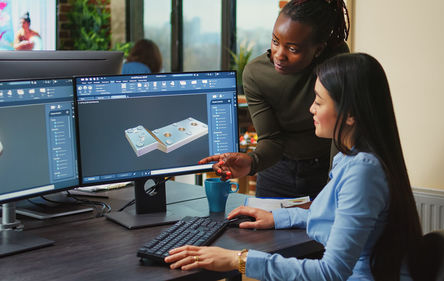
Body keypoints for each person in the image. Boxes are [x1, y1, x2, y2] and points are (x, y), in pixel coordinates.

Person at [165, 53, 424, 281]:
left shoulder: (363, 172)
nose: (311, 108)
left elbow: (329, 273)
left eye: (319, 102)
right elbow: (337, 220)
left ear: (350, 114)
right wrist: (276, 218)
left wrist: (238, 260)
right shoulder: (351, 159)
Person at [200, 0, 350, 199]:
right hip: (277, 173)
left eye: (293, 49)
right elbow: (271, 139)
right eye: (275, 41)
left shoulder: (335, 61)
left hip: (327, 169)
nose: (279, 55)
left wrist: (335, 184)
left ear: (318, 50)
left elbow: (339, 133)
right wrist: (251, 161)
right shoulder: (256, 74)